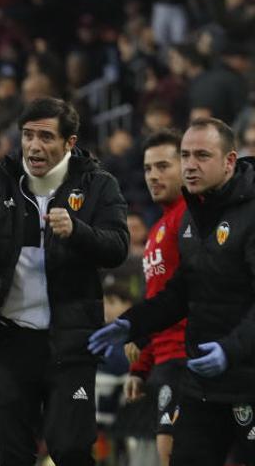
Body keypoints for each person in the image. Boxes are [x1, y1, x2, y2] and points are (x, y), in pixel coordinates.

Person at [0, 97, 129, 465]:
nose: (33, 146)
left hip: (69, 343)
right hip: (10, 341)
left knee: (70, 449)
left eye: (45, 136)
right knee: (13, 454)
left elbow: (118, 248)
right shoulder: (1, 180)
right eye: (27, 135)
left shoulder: (99, 185)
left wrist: (78, 231)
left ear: (69, 143)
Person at [90, 117, 255, 465]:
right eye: (186, 155)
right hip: (199, 377)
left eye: (202, 156)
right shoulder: (190, 219)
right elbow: (180, 292)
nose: (191, 165)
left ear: (229, 161)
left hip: (241, 374)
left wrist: (230, 349)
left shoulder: (241, 215)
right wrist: (134, 324)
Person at [123, 129, 188, 466]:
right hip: (165, 360)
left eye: (163, 166)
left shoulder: (191, 219)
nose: (153, 176)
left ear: (186, 166)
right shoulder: (157, 231)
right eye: (148, 169)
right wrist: (140, 367)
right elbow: (156, 302)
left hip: (190, 357)